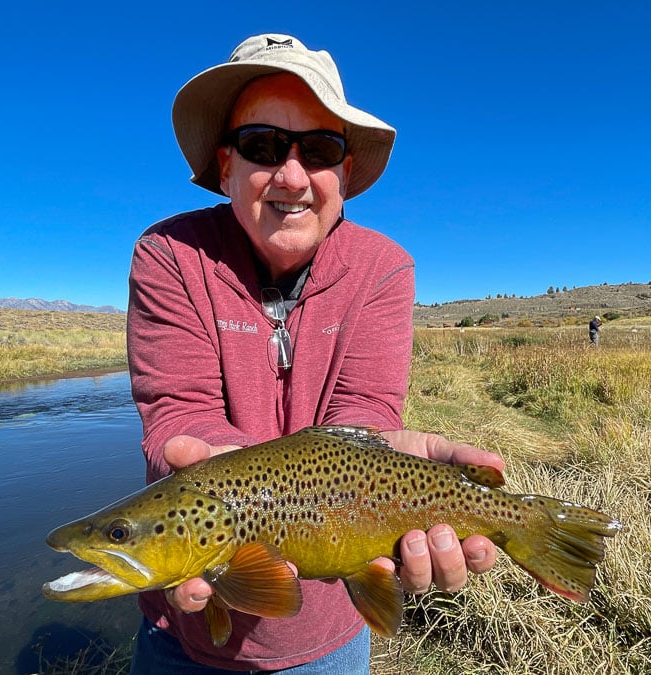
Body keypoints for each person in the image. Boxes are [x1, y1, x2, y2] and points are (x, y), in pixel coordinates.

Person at [126, 34, 504, 673]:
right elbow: (178, 413)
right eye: (262, 146)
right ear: (226, 167)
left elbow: (365, 412)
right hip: (184, 623)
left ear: (345, 173)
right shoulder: (170, 255)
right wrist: (228, 482)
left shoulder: (384, 268)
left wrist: (397, 469)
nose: (292, 176)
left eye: (320, 149)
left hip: (328, 633)